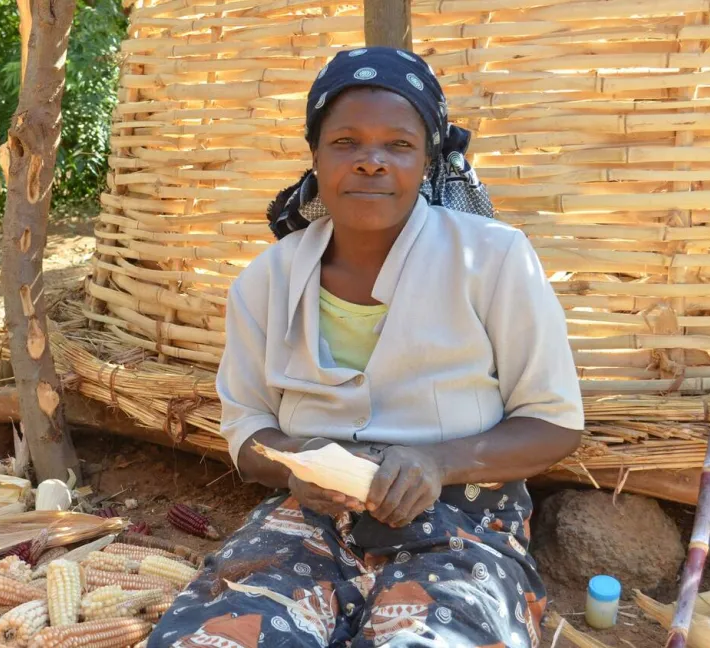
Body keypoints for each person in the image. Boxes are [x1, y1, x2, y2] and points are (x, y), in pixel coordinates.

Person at [145, 47, 585, 648]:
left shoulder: (494, 259)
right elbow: (247, 431)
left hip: (465, 522)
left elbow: (555, 422)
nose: (371, 162)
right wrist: (293, 465)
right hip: (308, 520)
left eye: (398, 145)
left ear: (428, 159)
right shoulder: (265, 282)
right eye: (346, 142)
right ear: (317, 157)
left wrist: (438, 462)